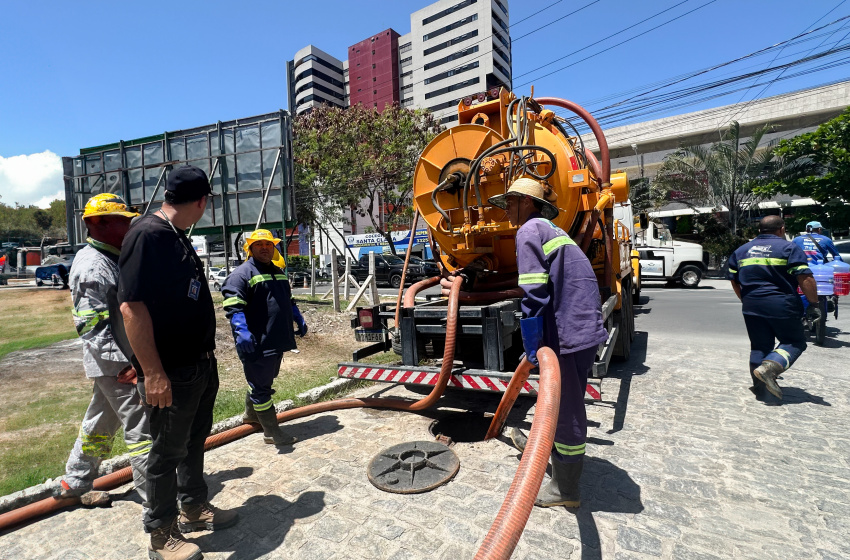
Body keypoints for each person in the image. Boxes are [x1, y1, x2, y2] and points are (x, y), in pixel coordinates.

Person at [119, 166, 237, 560]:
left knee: (192, 444)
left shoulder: (175, 236)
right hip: (170, 371)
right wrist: (152, 372)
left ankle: (193, 504)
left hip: (198, 364)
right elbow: (131, 307)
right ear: (202, 201)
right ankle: (161, 533)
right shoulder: (147, 235)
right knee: (166, 452)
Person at [488, 177, 609, 509]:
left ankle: (565, 490)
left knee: (566, 407)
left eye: (511, 202)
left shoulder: (529, 230)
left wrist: (533, 340)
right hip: (580, 327)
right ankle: (556, 460)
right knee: (560, 403)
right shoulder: (555, 232)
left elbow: (534, 290)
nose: (507, 210)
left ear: (527, 203)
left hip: (568, 331)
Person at [57, 193, 151, 511]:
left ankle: (76, 481)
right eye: (122, 220)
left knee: (100, 422)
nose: (129, 225)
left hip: (120, 362)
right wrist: (126, 364)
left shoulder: (113, 257)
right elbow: (91, 328)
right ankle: (160, 504)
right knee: (144, 429)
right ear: (97, 223)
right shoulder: (92, 267)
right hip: (118, 366)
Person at [221, 229, 307, 447]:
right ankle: (271, 432)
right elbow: (233, 305)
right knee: (261, 388)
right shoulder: (241, 274)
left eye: (268, 244)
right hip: (256, 342)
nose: (265, 248)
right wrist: (242, 331)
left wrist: (298, 317)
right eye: (259, 244)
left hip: (276, 340)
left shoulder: (278, 272)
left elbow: (288, 299)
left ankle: (251, 415)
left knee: (263, 381)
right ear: (249, 248)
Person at [727, 216, 820, 400]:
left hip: (751, 305)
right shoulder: (788, 248)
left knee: (759, 347)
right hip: (782, 304)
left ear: (759, 230)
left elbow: (734, 280)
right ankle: (770, 369)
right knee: (794, 342)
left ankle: (762, 390)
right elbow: (805, 278)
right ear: (781, 229)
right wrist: (814, 304)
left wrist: (746, 300)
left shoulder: (741, 251)